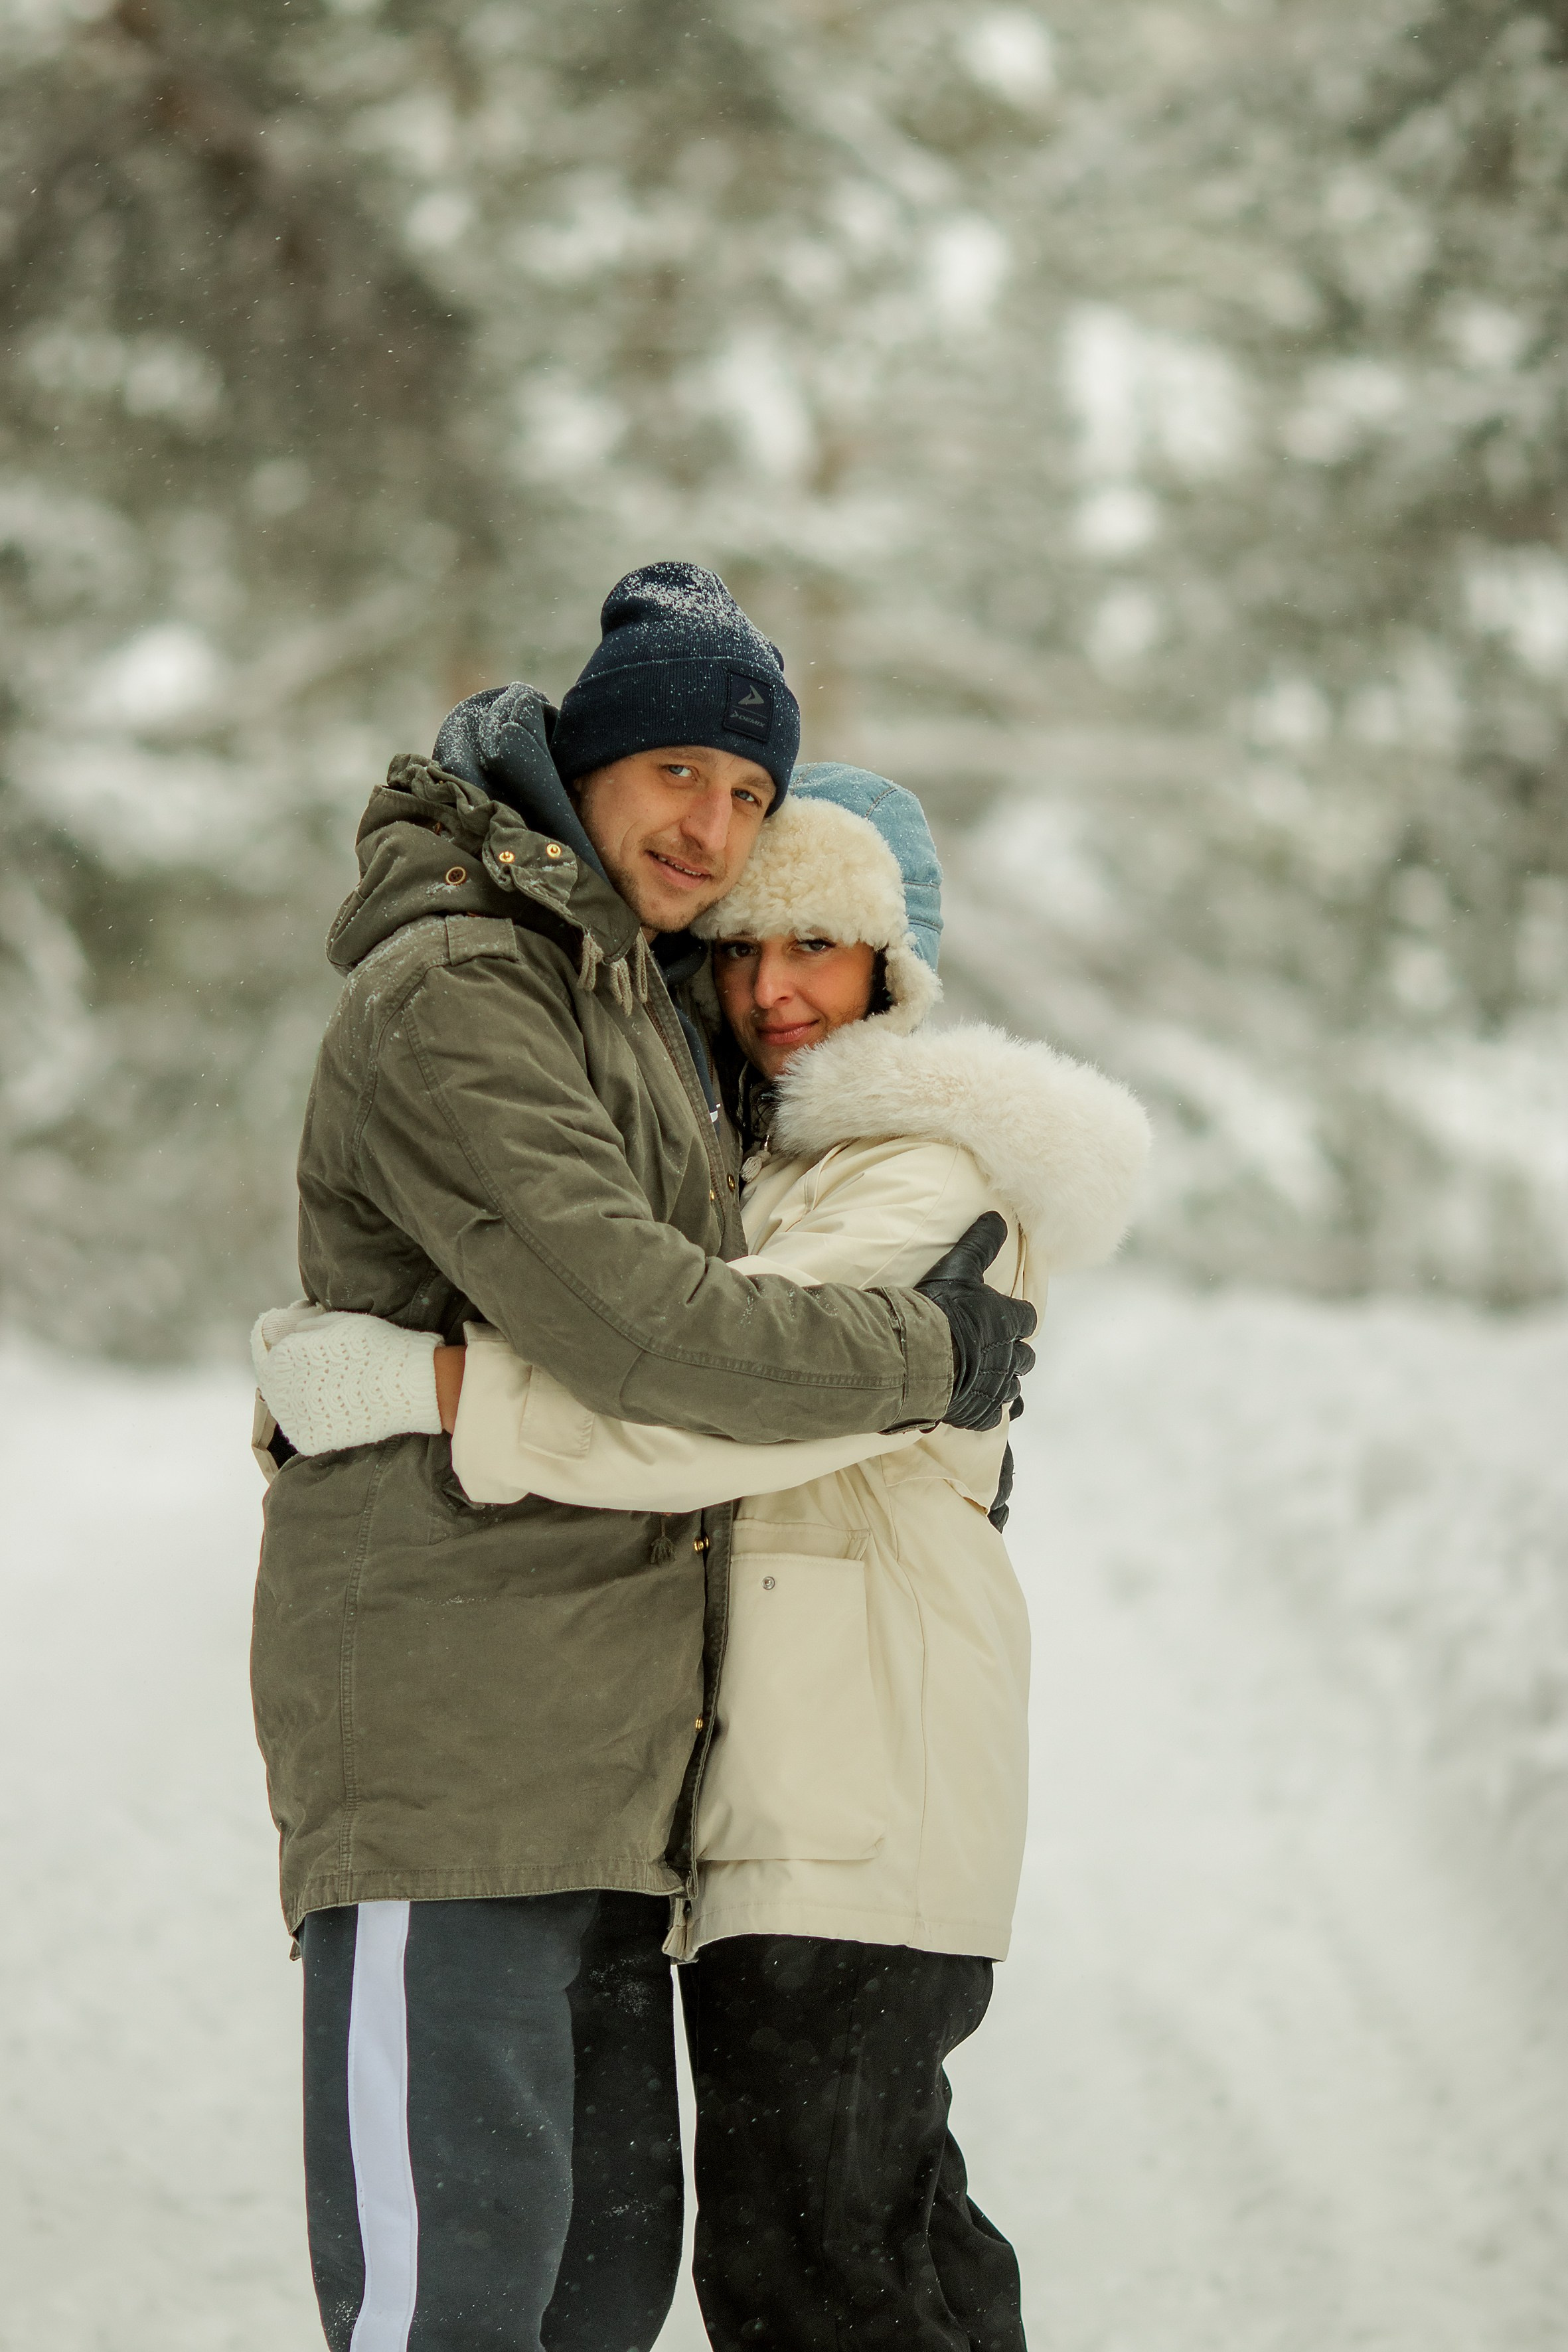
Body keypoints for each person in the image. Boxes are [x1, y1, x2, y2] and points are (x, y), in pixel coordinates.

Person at [258, 765, 1150, 2351]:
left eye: (818, 942)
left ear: (897, 965)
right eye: (736, 947)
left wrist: (422, 1388)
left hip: (859, 1798)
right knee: (851, 2248)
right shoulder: (759, 1174)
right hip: (766, 1814)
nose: (771, 986)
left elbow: (701, 1406)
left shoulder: (917, 1176)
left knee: (833, 2277)